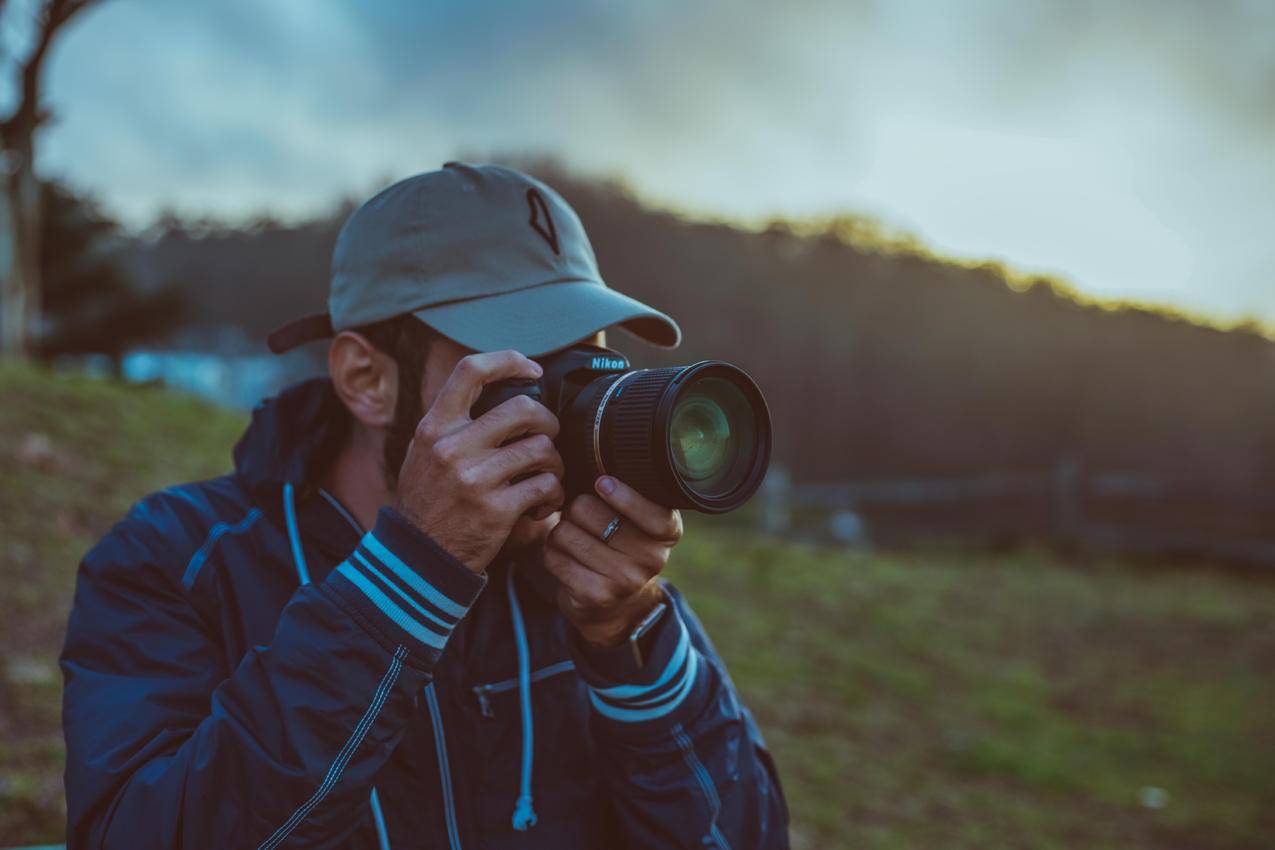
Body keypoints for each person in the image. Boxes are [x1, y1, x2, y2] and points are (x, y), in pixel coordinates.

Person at [60, 162, 788, 849]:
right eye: (520, 363)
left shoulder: (582, 572)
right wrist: (409, 579)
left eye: (584, 357)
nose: (568, 399)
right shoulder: (176, 560)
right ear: (366, 380)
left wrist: (633, 644)